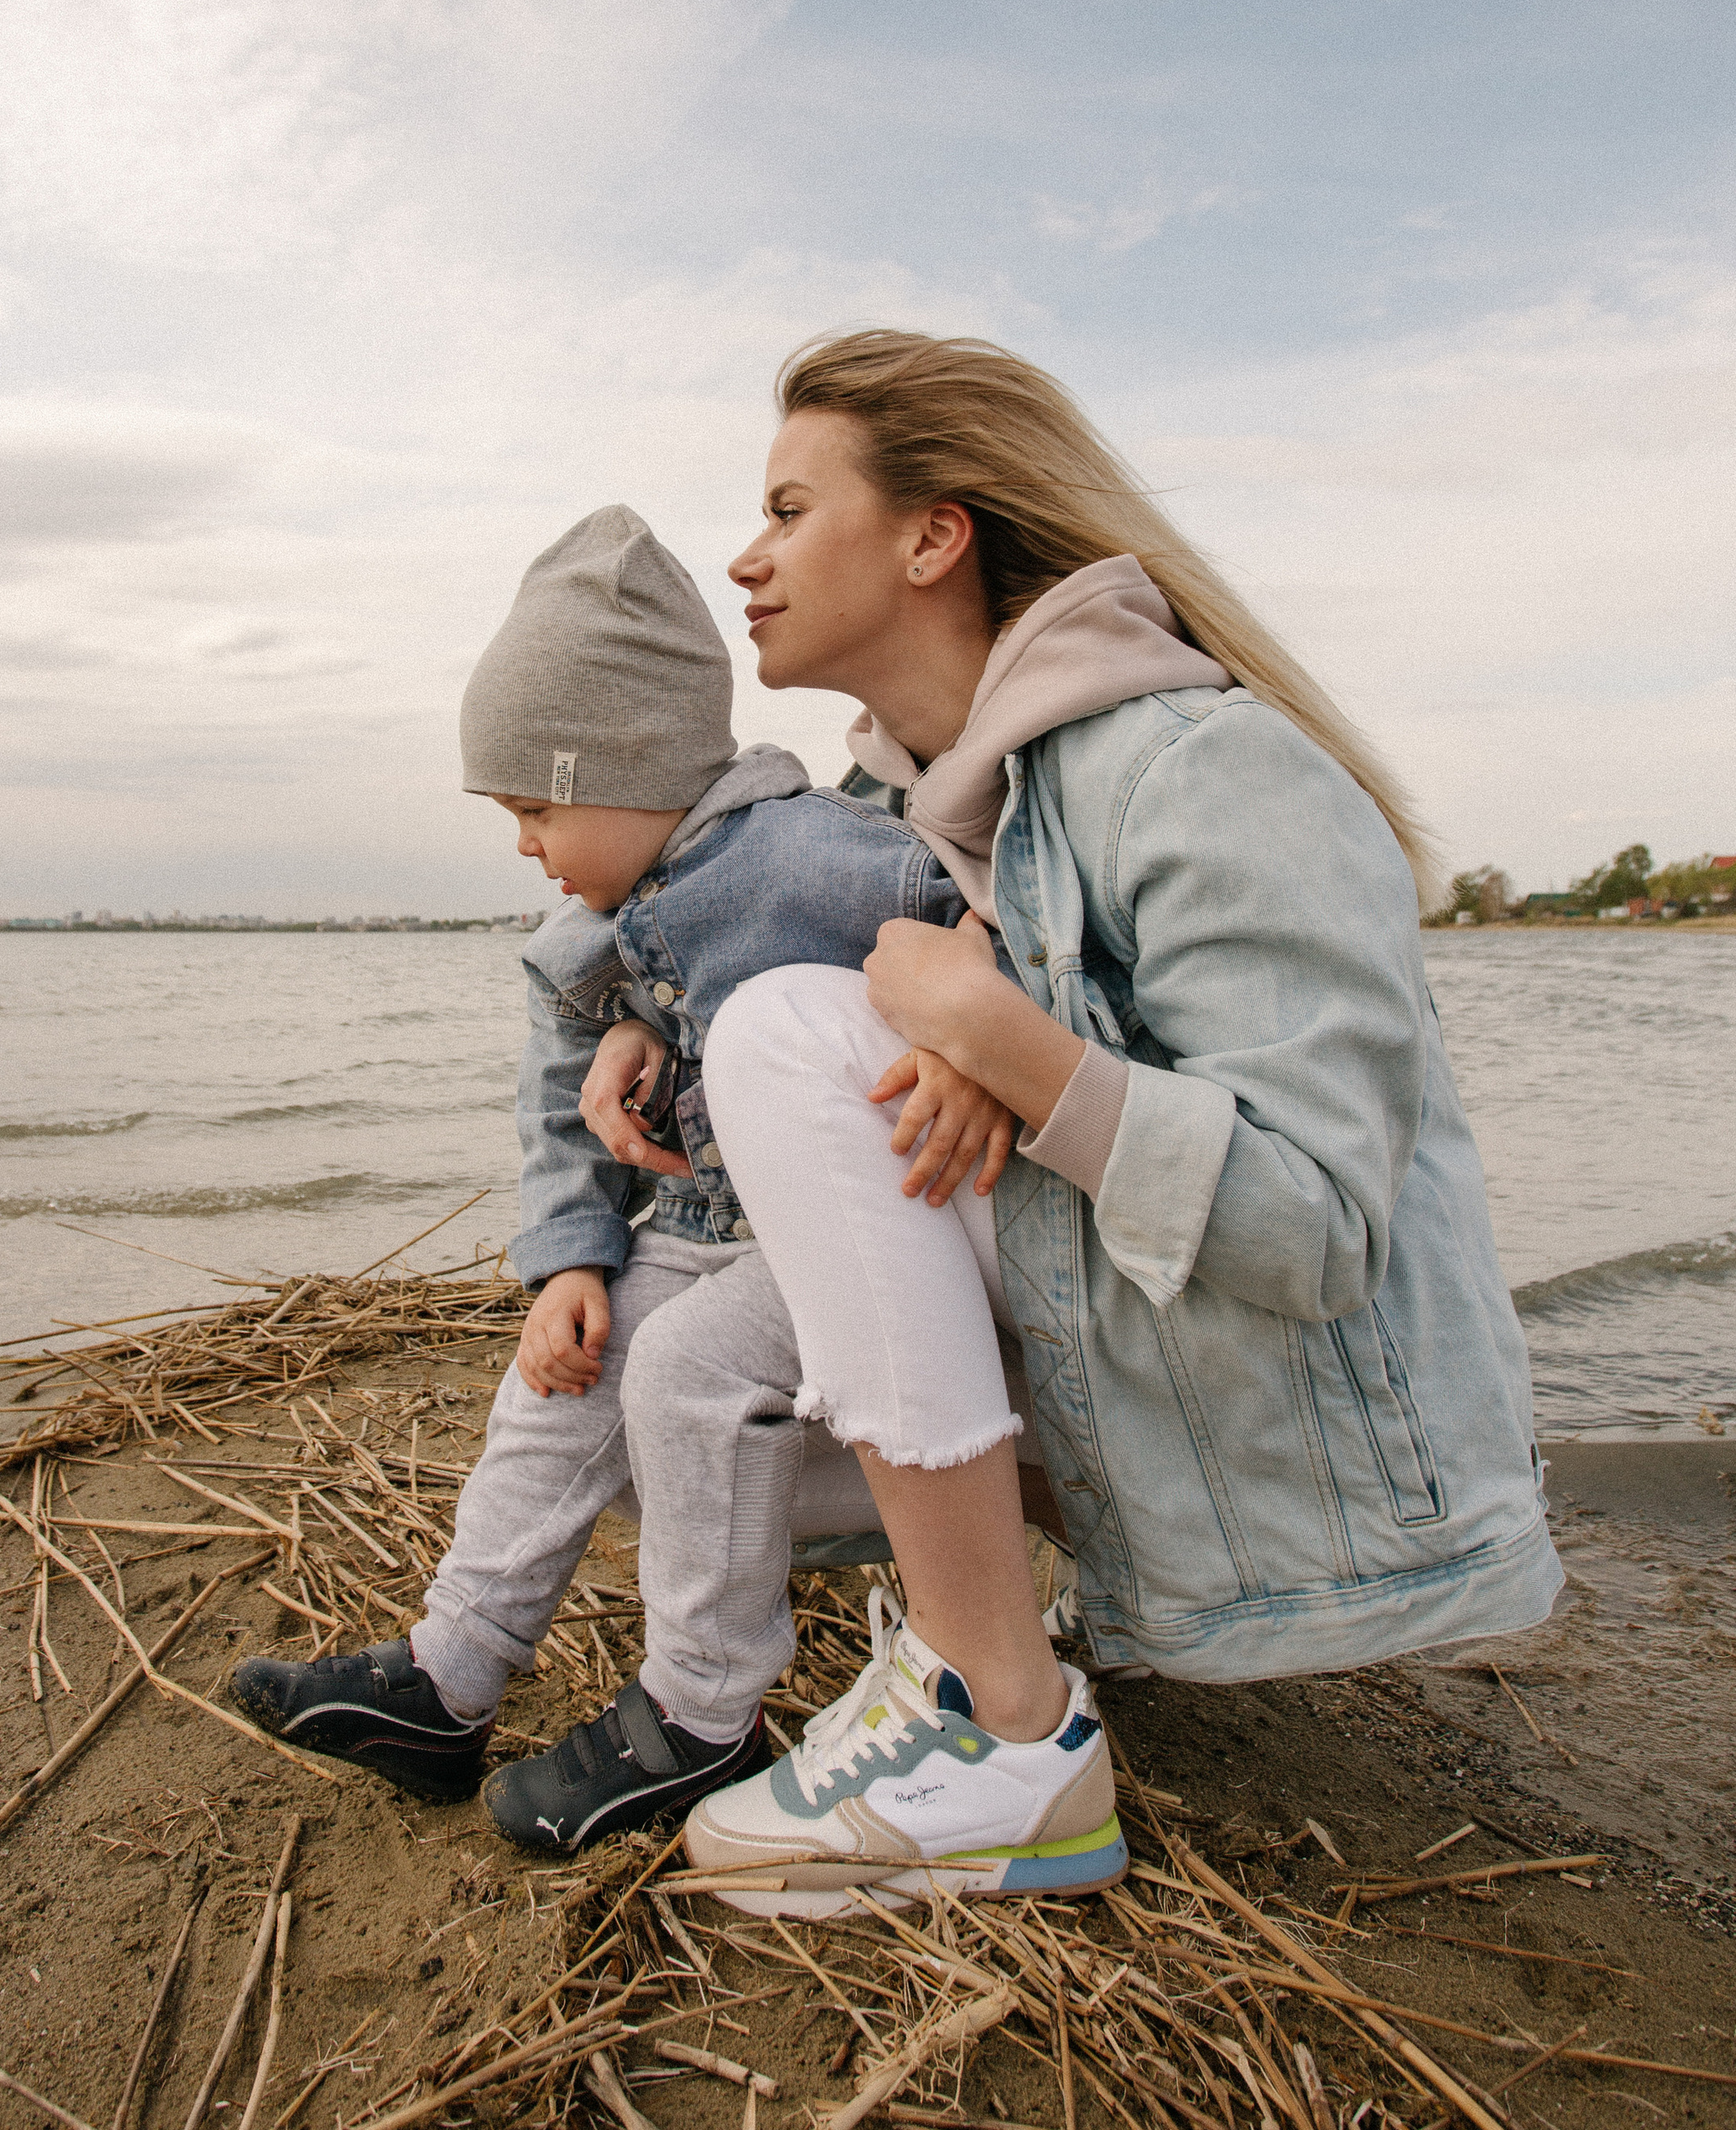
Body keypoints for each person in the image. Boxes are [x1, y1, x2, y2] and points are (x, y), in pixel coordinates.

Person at [576, 329, 1561, 1918]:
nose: (743, 560)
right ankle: (991, 1633)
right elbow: (867, 943)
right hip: (1123, 1354)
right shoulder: (919, 812)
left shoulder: (1203, 767)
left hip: (1305, 1446)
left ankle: (1003, 1728)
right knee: (677, 1380)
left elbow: (1318, 1230)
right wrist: (640, 1022)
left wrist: (998, 1040)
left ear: (927, 537)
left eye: (783, 509)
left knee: (778, 1034)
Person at [229, 501, 1064, 1856]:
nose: (523, 844)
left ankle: (697, 1710)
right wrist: (568, 1255)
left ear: (618, 767)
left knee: (680, 1376)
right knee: (564, 1373)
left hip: (850, 1235)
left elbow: (998, 894)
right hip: (705, 1224)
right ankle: (448, 1675)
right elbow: (559, 1088)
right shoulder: (601, 920)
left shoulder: (805, 855)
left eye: (534, 808)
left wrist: (973, 1027)